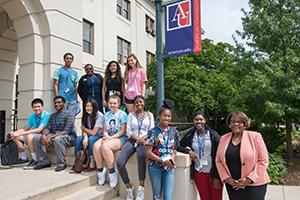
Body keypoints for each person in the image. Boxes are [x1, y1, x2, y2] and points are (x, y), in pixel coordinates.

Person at [215, 111, 270, 200]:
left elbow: (263, 160)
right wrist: (227, 178)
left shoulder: (255, 136)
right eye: (233, 121)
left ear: (245, 124)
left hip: (254, 184)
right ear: (229, 124)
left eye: (240, 121)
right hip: (232, 184)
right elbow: (218, 161)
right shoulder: (223, 138)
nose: (236, 124)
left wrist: (249, 179)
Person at [177, 111, 223, 200]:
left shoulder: (213, 135)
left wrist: (218, 176)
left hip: (213, 174)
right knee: (204, 198)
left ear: (205, 120)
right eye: (196, 120)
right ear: (193, 121)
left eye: (201, 119)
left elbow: (220, 156)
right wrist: (188, 151)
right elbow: (178, 146)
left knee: (216, 198)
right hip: (199, 173)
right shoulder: (190, 135)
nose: (199, 122)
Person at [117, 95, 155, 200]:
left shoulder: (150, 115)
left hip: (144, 141)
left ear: (144, 103)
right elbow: (129, 131)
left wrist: (142, 139)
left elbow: (151, 130)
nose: (139, 104)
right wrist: (137, 139)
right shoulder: (130, 115)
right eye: (137, 102)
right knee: (120, 162)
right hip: (132, 140)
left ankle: (141, 188)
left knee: (141, 156)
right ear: (134, 105)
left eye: (141, 102)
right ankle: (129, 187)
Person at [145, 100, 179, 200]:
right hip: (155, 167)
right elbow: (148, 152)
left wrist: (171, 160)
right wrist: (163, 160)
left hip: (169, 168)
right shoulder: (152, 132)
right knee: (157, 196)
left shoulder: (174, 132)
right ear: (159, 116)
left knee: (168, 197)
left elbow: (174, 149)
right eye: (164, 116)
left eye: (168, 116)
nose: (166, 118)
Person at [32, 96, 76, 172]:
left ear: (64, 103)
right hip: (54, 137)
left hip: (69, 137)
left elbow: (67, 131)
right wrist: (44, 135)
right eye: (55, 103)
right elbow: (47, 128)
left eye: (59, 102)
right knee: (36, 137)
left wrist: (51, 137)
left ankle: (61, 163)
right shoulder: (53, 116)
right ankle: (43, 161)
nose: (57, 104)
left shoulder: (70, 114)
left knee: (58, 139)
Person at [93, 94, 127, 188]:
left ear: (118, 104)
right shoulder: (106, 115)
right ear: (108, 103)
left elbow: (123, 131)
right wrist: (106, 135)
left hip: (120, 138)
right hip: (109, 137)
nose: (112, 105)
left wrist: (110, 138)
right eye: (110, 103)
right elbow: (105, 130)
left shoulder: (123, 114)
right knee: (96, 146)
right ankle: (100, 170)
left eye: (115, 103)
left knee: (105, 146)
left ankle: (112, 172)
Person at [9, 98, 51, 169]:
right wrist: (15, 133)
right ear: (32, 108)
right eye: (34, 107)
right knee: (16, 137)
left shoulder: (47, 115)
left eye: (38, 106)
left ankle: (35, 159)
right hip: (35, 134)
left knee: (29, 136)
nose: (36, 108)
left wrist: (21, 133)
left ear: (42, 107)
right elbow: (25, 128)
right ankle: (23, 158)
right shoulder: (32, 116)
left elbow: (39, 129)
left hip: (45, 135)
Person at [74, 98, 104, 172]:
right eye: (87, 106)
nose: (88, 108)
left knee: (91, 139)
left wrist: (84, 130)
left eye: (91, 106)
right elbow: (83, 129)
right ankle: (79, 161)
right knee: (78, 139)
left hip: (99, 135)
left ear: (94, 107)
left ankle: (92, 162)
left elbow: (94, 132)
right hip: (89, 135)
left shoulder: (99, 115)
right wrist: (85, 137)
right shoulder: (85, 115)